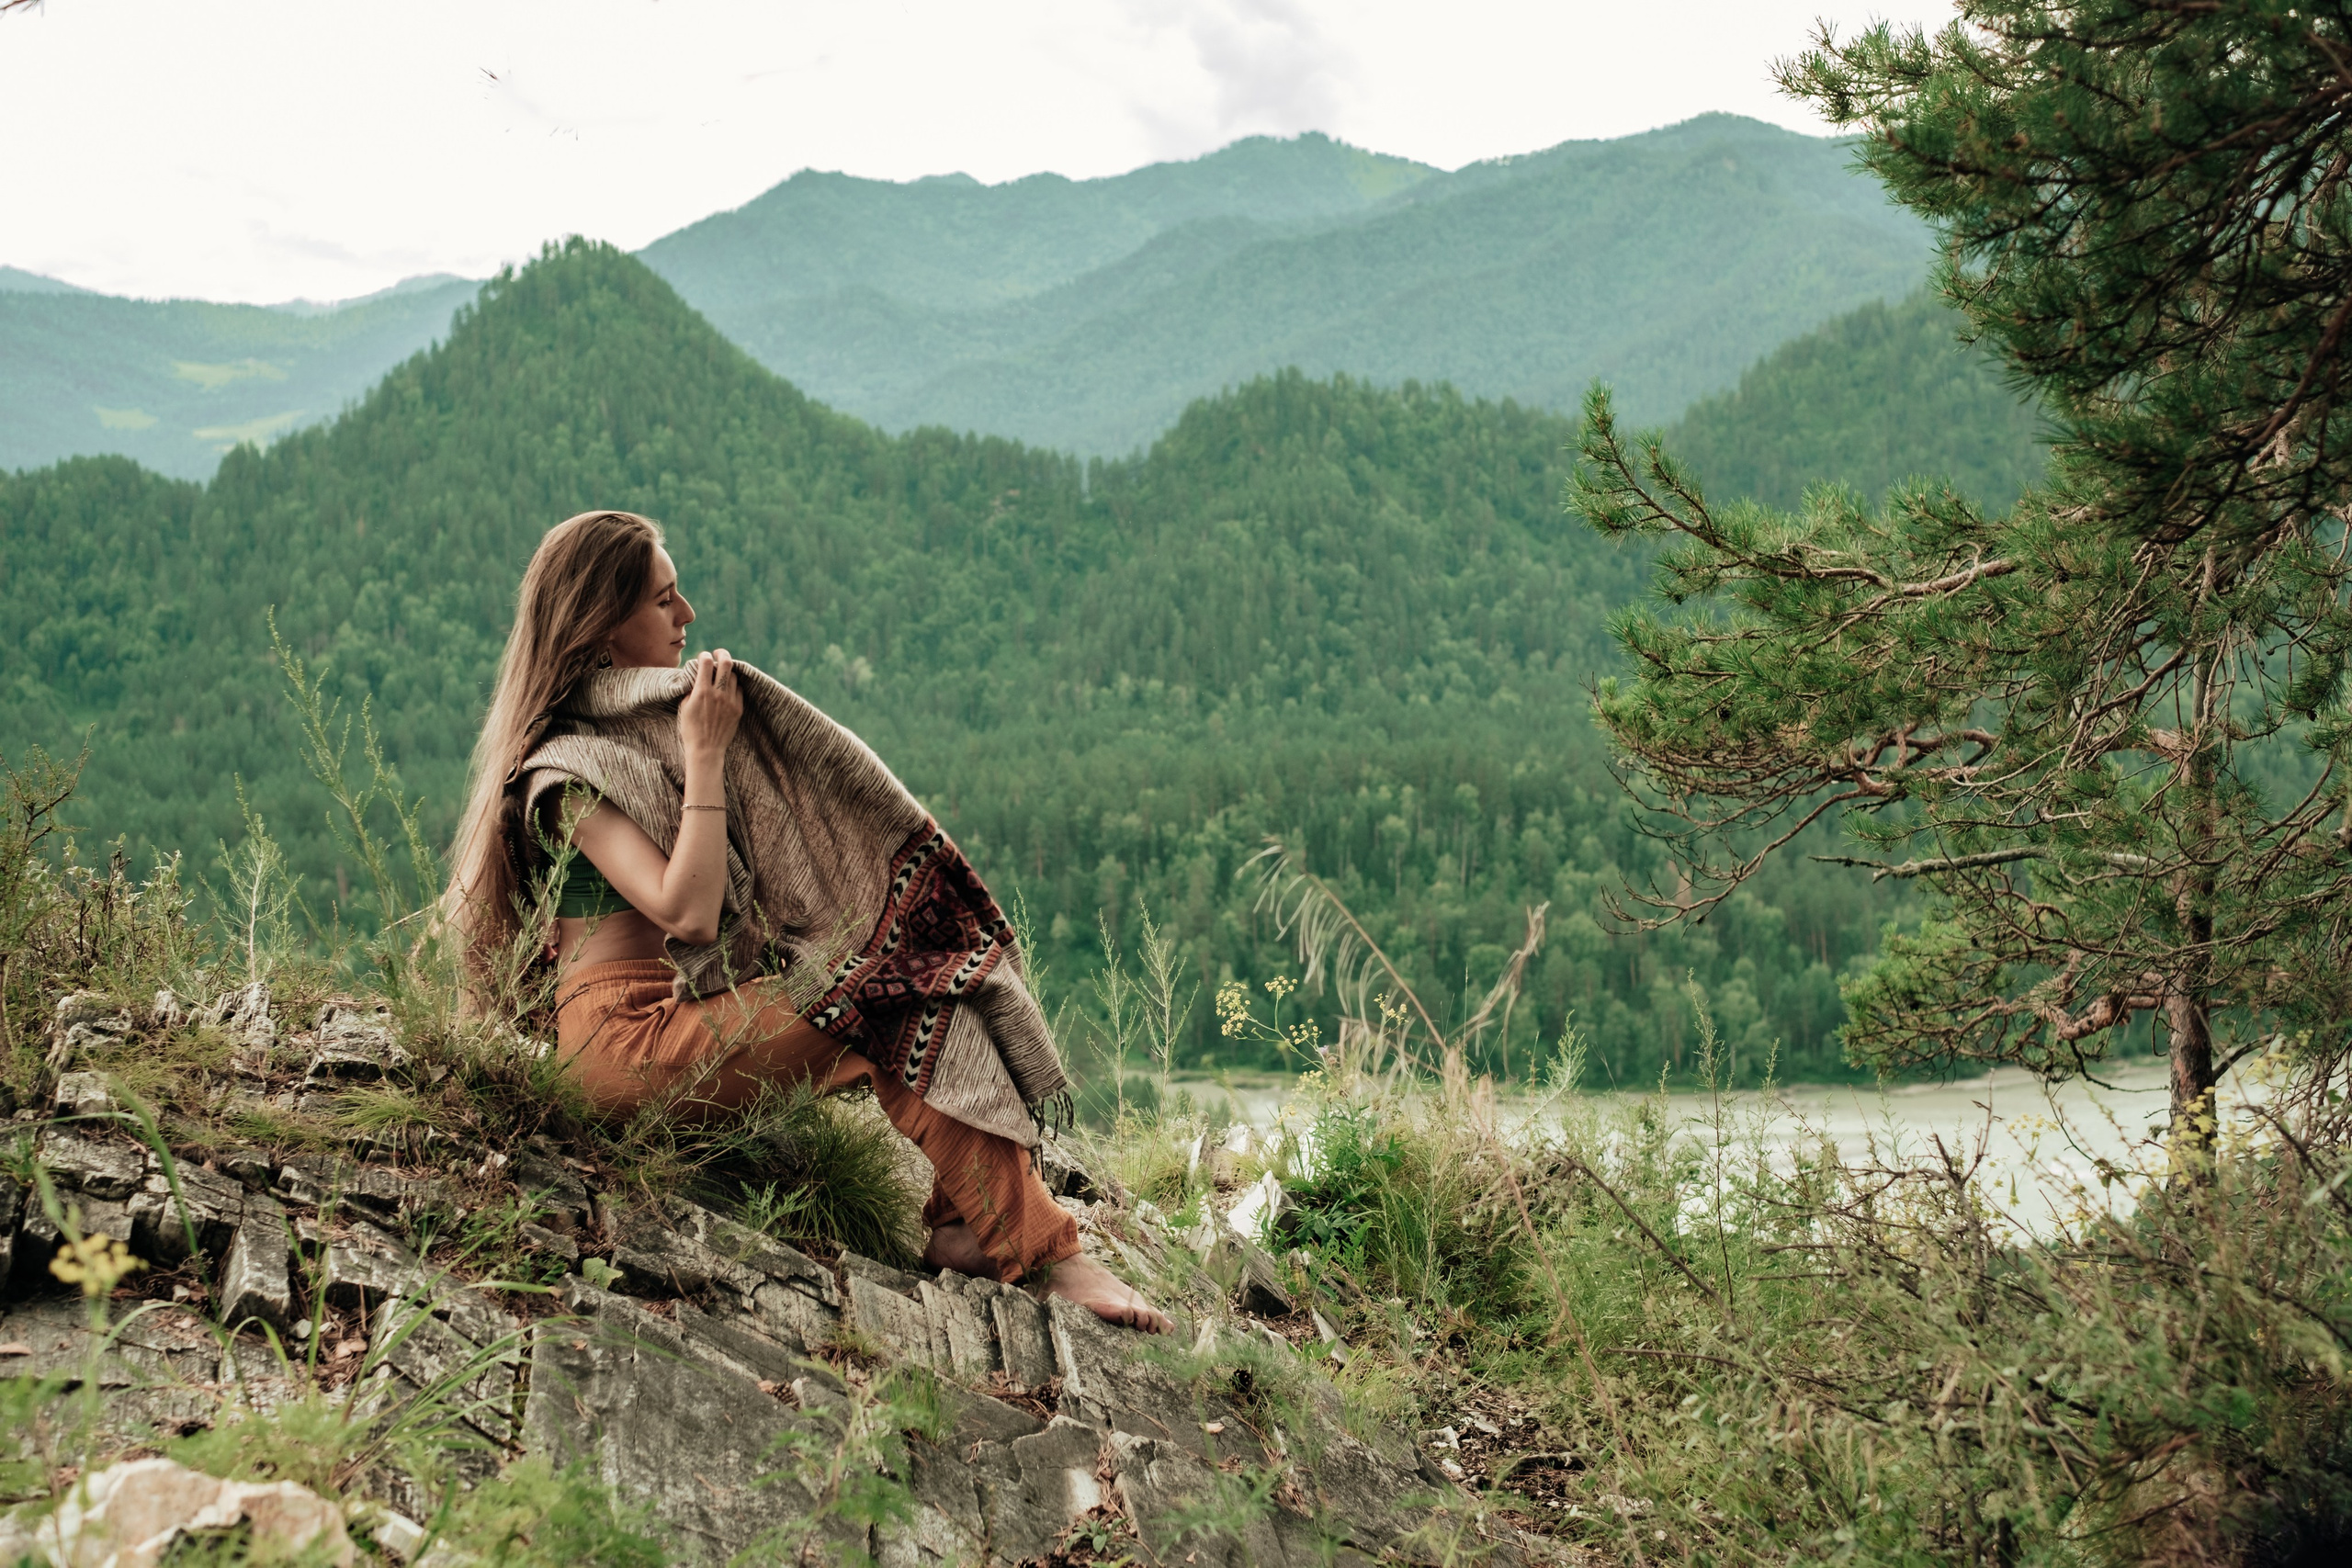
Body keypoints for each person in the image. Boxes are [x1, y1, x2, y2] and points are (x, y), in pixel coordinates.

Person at [446, 509, 1169, 1332]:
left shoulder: (624, 738)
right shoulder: (564, 770)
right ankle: (1044, 1255)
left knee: (898, 977)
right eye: (663, 600)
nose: (686, 616)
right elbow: (687, 908)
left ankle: (970, 1224)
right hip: (621, 1048)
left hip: (654, 1024)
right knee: (881, 996)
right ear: (603, 628)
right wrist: (710, 750)